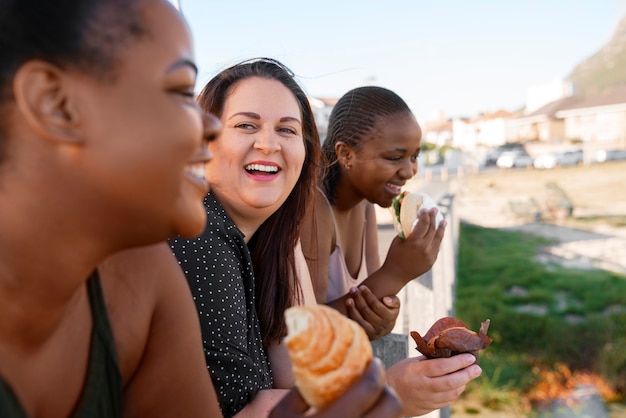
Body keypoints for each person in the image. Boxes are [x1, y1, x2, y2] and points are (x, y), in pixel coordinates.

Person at [0, 2, 401, 418]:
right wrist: (396, 389)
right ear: (54, 103)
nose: (206, 125)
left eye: (287, 130)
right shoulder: (185, 252)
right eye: (177, 92)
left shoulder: (149, 272)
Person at [169, 58, 401, 417]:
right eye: (246, 125)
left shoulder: (247, 237)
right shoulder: (197, 238)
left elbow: (302, 375)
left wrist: (283, 223)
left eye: (288, 130)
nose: (268, 144)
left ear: (306, 153)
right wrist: (400, 394)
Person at [300, 85, 483, 416]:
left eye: (415, 156)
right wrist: (399, 272)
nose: (409, 171)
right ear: (345, 155)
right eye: (395, 157)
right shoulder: (313, 211)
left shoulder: (366, 206)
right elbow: (304, 331)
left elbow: (369, 297)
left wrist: (384, 316)